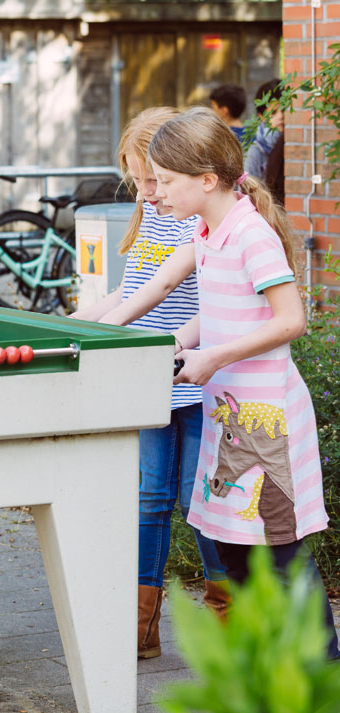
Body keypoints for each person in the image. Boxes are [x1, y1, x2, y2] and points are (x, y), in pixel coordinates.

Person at [101, 106, 339, 659]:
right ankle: (262, 668)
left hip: (267, 424)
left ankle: (322, 678)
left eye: (163, 181)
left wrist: (211, 359)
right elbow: (221, 307)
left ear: (206, 180)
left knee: (281, 558)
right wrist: (182, 344)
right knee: (233, 550)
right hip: (230, 420)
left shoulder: (252, 236)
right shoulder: (209, 232)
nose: (153, 193)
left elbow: (290, 320)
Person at [71, 107, 228, 659]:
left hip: (195, 378)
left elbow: (190, 296)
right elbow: (130, 292)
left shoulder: (200, 217)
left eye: (151, 178)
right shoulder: (151, 214)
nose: (145, 191)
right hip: (148, 382)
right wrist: (75, 324)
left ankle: (225, 618)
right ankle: (141, 627)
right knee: (148, 499)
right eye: (138, 179)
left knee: (198, 499)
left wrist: (164, 344)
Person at [244, 78, 283, 182]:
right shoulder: (255, 153)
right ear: (262, 116)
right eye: (273, 112)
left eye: (284, 110)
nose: (281, 116)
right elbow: (248, 193)